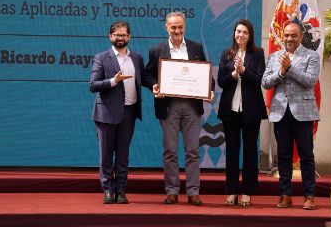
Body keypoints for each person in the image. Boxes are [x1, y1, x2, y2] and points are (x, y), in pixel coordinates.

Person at [144, 11, 214, 206]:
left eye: (180, 27)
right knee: (170, 151)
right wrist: (154, 86)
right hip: (169, 106)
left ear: (185, 27)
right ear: (166, 27)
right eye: (173, 27)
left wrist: (210, 90)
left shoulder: (196, 48)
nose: (177, 30)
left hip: (192, 106)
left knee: (193, 151)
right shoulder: (157, 50)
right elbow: (147, 75)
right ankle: (172, 191)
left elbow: (207, 75)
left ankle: (193, 192)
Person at [262, 22, 320, 210]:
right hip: (280, 112)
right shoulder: (274, 57)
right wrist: (280, 71)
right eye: (286, 35)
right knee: (284, 156)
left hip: (303, 112)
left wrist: (290, 68)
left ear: (301, 37)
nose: (289, 39)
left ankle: (309, 196)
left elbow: (310, 81)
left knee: (306, 156)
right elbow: (266, 82)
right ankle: (285, 195)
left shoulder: (311, 55)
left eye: (293, 36)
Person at [90, 21, 144, 204]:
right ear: (110, 36)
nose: (120, 38)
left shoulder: (137, 58)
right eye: (116, 35)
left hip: (129, 113)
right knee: (105, 155)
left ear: (129, 37)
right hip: (105, 114)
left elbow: (143, 80)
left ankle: (121, 190)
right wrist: (113, 81)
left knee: (122, 155)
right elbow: (93, 85)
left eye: (123, 35)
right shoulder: (101, 58)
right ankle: (108, 190)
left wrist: (157, 87)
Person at [217, 19, 267, 207]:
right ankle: (231, 191)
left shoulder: (257, 54)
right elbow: (221, 82)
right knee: (231, 152)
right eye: (238, 31)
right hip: (230, 111)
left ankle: (247, 192)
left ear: (250, 35)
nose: (241, 35)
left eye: (245, 32)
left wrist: (244, 71)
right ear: (234, 34)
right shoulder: (227, 54)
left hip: (251, 111)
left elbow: (260, 80)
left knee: (249, 151)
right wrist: (233, 74)